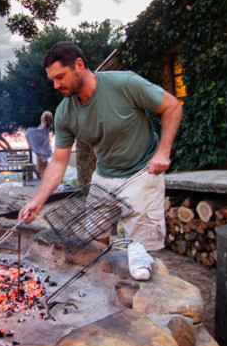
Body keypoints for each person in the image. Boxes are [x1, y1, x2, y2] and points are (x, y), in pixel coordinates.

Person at [18, 41, 183, 251]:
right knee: (94, 246)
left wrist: (163, 153)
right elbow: (58, 162)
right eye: (53, 80)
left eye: (60, 77)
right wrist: (37, 202)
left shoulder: (125, 83)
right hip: (103, 178)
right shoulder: (64, 113)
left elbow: (172, 106)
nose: (56, 85)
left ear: (79, 65)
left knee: (143, 252)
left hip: (141, 175)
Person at [25, 111, 54, 177]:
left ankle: (45, 182)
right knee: (42, 169)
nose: (41, 115)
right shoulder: (44, 127)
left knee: (41, 169)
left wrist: (29, 130)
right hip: (43, 150)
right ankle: (46, 181)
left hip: (42, 150)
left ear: (45, 118)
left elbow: (34, 133)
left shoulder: (44, 128)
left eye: (43, 115)